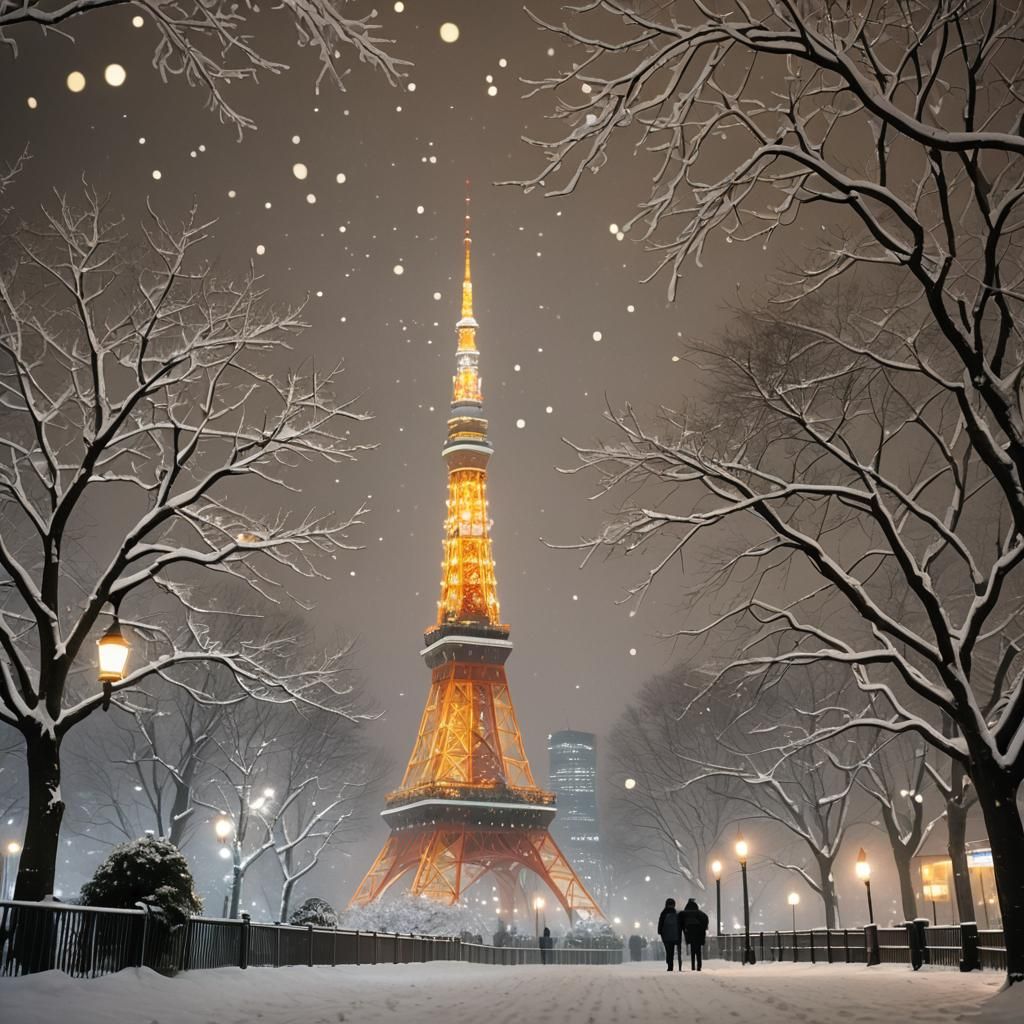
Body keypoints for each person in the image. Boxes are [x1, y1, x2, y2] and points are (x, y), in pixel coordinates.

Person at [679, 898, 710, 972]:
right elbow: (705, 919)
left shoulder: (685, 913)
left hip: (690, 933)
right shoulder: (700, 913)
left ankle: (693, 966)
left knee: (692, 949)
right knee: (698, 950)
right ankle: (699, 966)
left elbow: (681, 920)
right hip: (698, 933)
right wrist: (703, 929)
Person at [657, 897, 682, 971]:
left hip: (666, 936)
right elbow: (679, 924)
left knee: (669, 951)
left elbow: (660, 924)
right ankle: (677, 964)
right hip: (675, 935)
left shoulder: (663, 913)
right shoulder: (676, 913)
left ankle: (670, 965)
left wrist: (660, 931)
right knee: (673, 950)